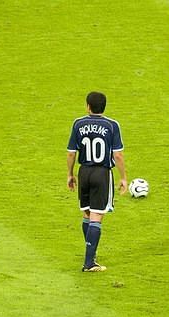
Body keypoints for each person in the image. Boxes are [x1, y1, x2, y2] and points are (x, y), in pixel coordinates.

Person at [66, 92, 127, 272]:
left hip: (84, 172)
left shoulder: (78, 124)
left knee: (87, 214)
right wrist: (123, 177)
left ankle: (91, 255)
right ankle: (89, 263)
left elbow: (71, 153)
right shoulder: (112, 125)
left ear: (88, 106)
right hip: (102, 173)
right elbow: (118, 155)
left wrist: (70, 174)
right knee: (96, 216)